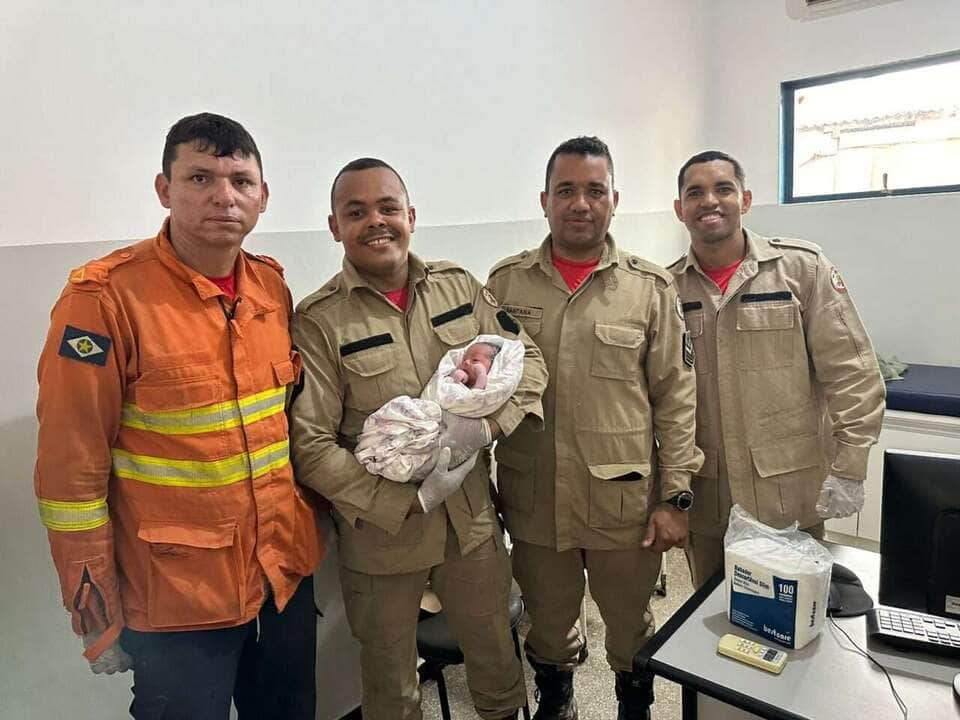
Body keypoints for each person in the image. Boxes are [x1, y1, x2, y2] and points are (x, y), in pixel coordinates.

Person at [34, 112, 324, 719]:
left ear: (263, 197)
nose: (224, 196)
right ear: (164, 190)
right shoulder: (103, 301)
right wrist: (96, 612)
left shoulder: (271, 289)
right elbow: (71, 476)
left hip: (281, 577)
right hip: (176, 601)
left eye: (241, 181)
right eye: (200, 178)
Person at [290, 157, 548, 720]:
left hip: (471, 524)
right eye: (355, 212)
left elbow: (526, 359)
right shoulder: (319, 320)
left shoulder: (458, 286)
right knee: (389, 687)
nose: (375, 221)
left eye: (387, 208)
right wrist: (401, 503)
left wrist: (488, 426)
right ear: (334, 226)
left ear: (411, 215)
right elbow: (309, 445)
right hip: (382, 539)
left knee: (498, 665)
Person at [486, 136, 703, 720]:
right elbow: (481, 389)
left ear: (614, 200)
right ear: (545, 200)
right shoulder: (505, 285)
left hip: (625, 503)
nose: (579, 203)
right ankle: (556, 699)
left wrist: (676, 497)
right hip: (534, 500)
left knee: (629, 622)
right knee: (548, 619)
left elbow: (677, 401)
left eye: (593, 191)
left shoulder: (649, 288)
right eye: (566, 191)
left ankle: (634, 700)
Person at [668, 150, 885, 588]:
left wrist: (849, 465)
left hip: (787, 493)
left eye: (723, 189)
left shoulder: (801, 270)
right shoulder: (666, 289)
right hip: (710, 497)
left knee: (798, 619)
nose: (710, 200)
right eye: (696, 193)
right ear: (680, 209)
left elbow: (852, 374)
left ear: (745, 200)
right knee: (710, 617)